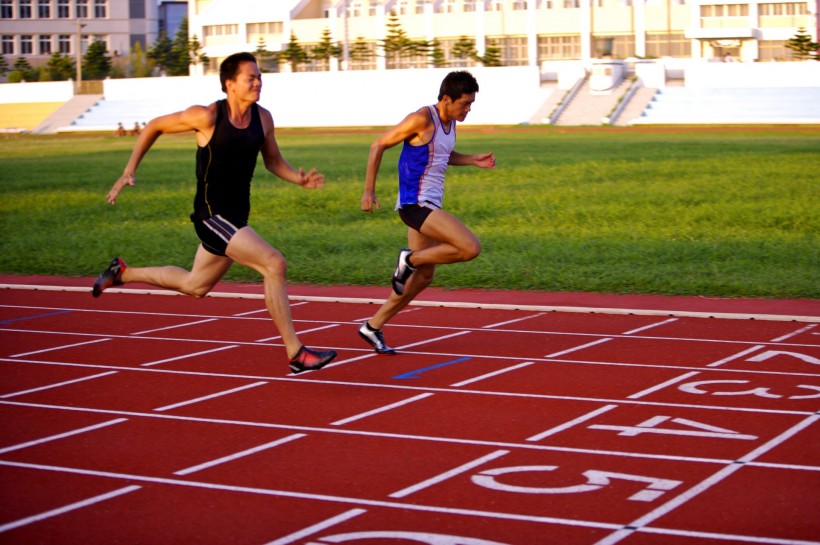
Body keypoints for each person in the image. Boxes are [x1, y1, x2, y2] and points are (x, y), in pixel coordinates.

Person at [92, 52, 337, 374]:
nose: (258, 82)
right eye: (251, 77)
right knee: (274, 263)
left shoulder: (263, 119)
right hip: (211, 216)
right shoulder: (206, 116)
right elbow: (154, 126)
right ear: (230, 84)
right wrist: (128, 170)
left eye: (260, 76)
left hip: (236, 218)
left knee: (196, 286)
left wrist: (298, 179)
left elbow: (273, 161)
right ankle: (296, 353)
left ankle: (123, 272)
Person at [358, 70, 496, 355]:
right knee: (470, 247)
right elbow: (378, 144)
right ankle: (409, 258)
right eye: (465, 104)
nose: (468, 109)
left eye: (471, 104)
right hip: (415, 205)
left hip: (430, 205)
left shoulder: (450, 122)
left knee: (423, 277)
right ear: (446, 99)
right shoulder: (422, 119)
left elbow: (444, 155)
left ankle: (373, 326)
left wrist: (472, 160)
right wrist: (368, 190)